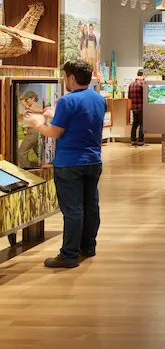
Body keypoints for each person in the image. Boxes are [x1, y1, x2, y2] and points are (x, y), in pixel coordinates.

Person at [25, 59, 107, 269]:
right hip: (93, 161)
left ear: (71, 77)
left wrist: (38, 124)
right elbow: (82, 121)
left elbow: (55, 132)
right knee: (90, 206)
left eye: (64, 76)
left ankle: (69, 255)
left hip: (70, 163)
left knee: (72, 210)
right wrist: (55, 116)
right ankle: (87, 247)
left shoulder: (67, 101)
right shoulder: (98, 99)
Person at [17, 91, 41, 169]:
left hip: (34, 132)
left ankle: (26, 170)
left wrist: (29, 108)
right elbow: (24, 103)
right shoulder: (30, 107)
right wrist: (20, 98)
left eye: (27, 99)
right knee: (38, 151)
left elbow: (40, 110)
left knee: (21, 152)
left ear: (33, 98)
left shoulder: (36, 107)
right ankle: (45, 166)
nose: (26, 100)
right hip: (34, 132)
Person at [128, 69, 146, 146]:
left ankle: (133, 140)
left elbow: (129, 97)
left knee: (135, 123)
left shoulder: (131, 84)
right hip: (142, 107)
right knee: (142, 124)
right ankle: (141, 141)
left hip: (134, 107)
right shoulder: (143, 84)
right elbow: (146, 96)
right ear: (143, 75)